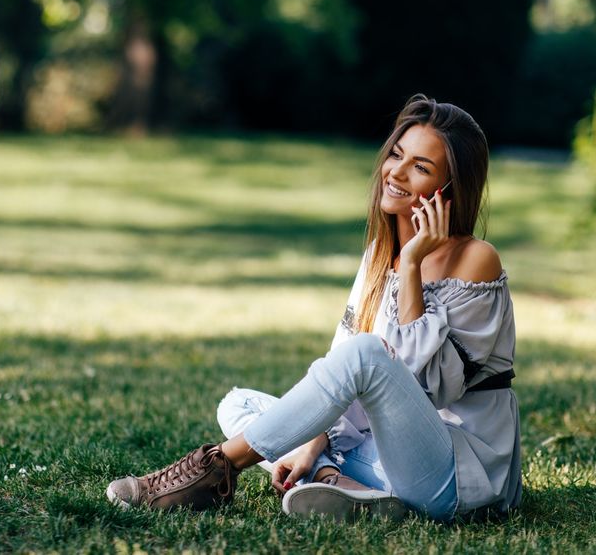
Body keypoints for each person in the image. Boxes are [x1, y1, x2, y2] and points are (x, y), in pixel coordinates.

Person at [106, 94, 521, 522]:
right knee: (238, 405)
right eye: (396, 154)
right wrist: (315, 440)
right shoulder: (381, 254)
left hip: (452, 476)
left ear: (450, 189)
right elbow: (340, 368)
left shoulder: (476, 259)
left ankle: (214, 469)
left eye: (420, 167)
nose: (395, 172)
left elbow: (427, 385)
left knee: (366, 355)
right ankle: (337, 483)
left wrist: (414, 263)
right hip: (379, 457)